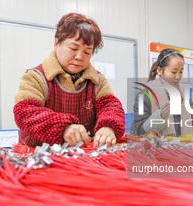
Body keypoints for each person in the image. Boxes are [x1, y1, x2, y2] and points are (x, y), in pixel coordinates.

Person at [14, 13, 125, 147]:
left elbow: (111, 106)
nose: (79, 56)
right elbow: (26, 112)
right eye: (73, 48)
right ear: (56, 43)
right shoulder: (35, 77)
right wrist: (63, 127)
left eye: (87, 52)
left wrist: (108, 127)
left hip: (83, 156)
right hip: (36, 156)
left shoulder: (97, 80)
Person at [131, 48, 193, 136]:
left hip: (179, 151)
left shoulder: (182, 95)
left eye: (181, 71)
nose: (178, 76)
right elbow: (140, 130)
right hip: (154, 153)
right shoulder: (144, 96)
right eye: (174, 72)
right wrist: (161, 116)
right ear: (160, 71)